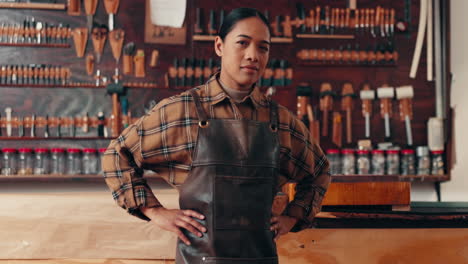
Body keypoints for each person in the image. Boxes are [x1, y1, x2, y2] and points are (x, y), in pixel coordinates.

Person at [102, 7, 330, 264]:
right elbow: (117, 155)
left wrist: (292, 217)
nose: (253, 55)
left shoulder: (281, 121)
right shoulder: (182, 111)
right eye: (242, 43)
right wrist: (153, 211)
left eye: (263, 48)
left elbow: (319, 171)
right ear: (219, 46)